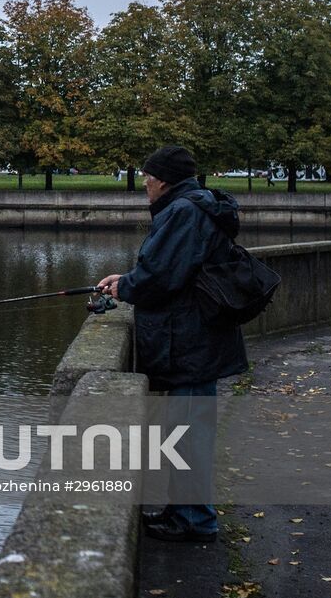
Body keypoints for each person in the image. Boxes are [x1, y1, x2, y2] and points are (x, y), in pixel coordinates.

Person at [96, 145, 248, 543]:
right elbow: (168, 270)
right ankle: (183, 511)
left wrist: (126, 286)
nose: (144, 184)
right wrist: (126, 281)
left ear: (162, 180)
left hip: (190, 342)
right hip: (195, 339)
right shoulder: (193, 207)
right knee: (186, 433)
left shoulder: (183, 212)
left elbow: (162, 276)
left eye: (147, 177)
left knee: (188, 434)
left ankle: (194, 521)